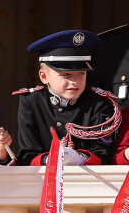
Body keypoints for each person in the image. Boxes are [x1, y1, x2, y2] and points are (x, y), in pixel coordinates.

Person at [13, 30, 120, 166]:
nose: (75, 81)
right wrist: (50, 159)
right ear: (44, 77)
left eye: (81, 73)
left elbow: (103, 153)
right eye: (66, 75)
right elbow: (28, 153)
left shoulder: (99, 103)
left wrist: (80, 158)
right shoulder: (31, 101)